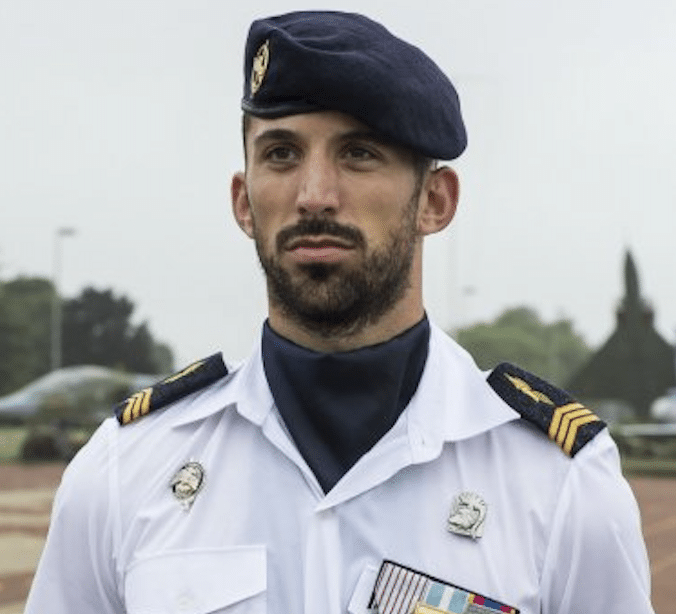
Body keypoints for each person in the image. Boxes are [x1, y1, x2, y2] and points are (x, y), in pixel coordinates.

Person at [25, 11, 655, 614]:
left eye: (359, 154)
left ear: (435, 200)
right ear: (244, 203)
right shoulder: (124, 469)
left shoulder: (559, 484)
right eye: (280, 153)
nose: (314, 195)